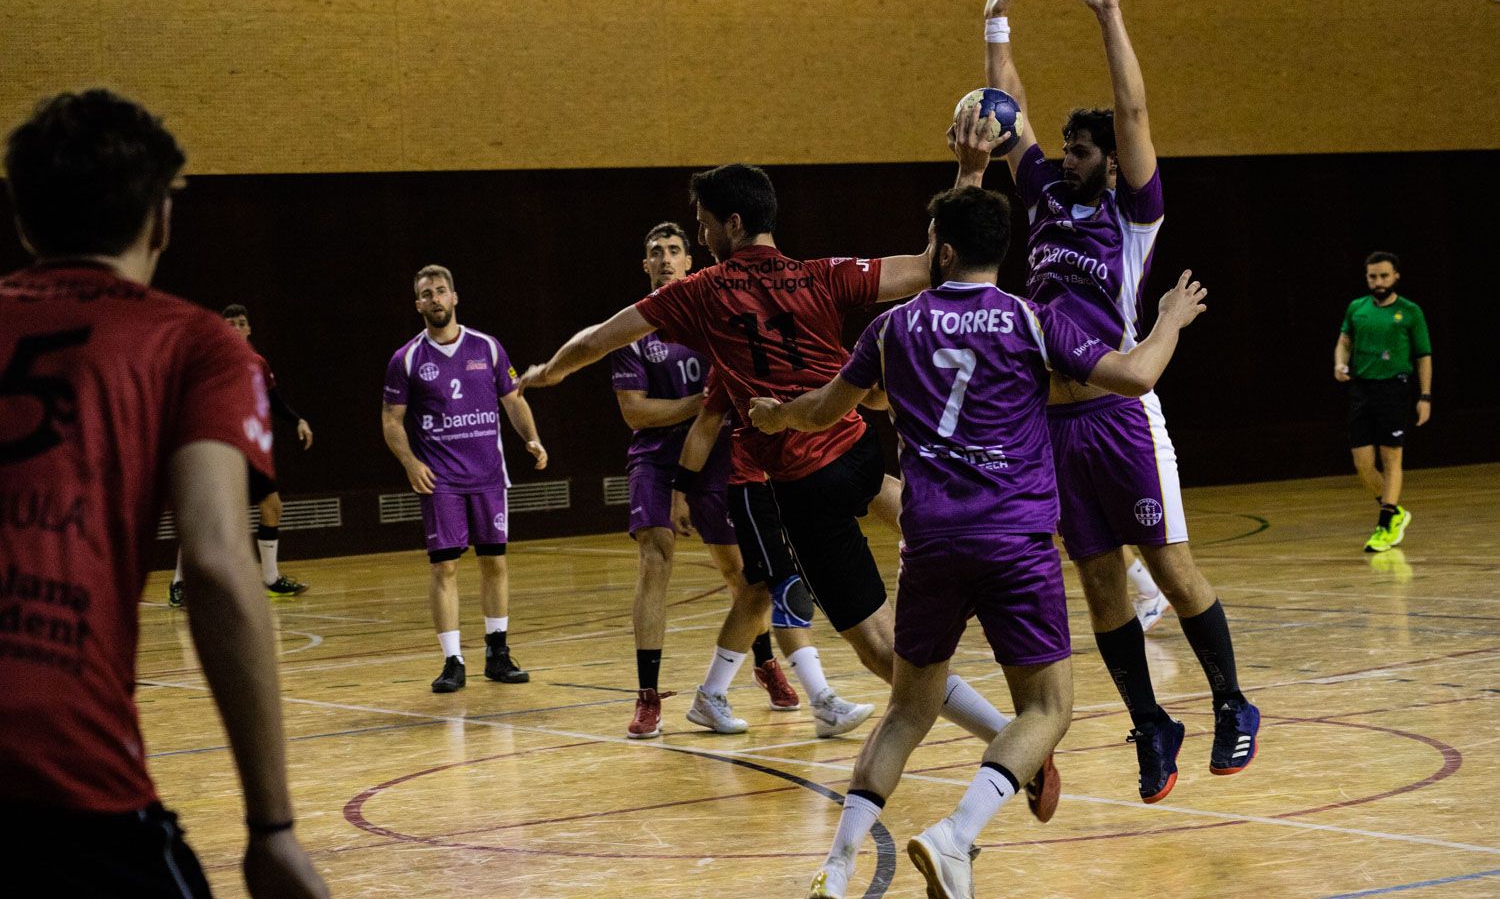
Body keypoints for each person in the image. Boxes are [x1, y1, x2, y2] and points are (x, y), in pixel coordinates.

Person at [520, 130, 1051, 816]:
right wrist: (970, 169)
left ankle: (1012, 740)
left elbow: (599, 339)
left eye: (705, 223)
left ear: (731, 223)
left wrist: (548, 372)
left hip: (805, 482)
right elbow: (929, 266)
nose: (701, 234)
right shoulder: (822, 273)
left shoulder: (700, 292)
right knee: (886, 499)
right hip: (860, 448)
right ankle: (973, 555)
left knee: (879, 649)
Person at [748, 186, 1207, 899]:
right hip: (1015, 539)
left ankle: (836, 869)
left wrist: (775, 417)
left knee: (906, 711)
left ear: (949, 249)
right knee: (1048, 710)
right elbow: (1137, 375)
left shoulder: (895, 327)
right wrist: (1170, 319)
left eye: (932, 241)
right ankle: (956, 835)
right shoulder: (1031, 319)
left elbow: (823, 411)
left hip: (931, 539)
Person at [0, 89, 326, 897]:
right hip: (64, 771)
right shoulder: (196, 344)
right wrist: (272, 828)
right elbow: (216, 560)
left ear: (24, 219)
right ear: (160, 221)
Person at [982, 0, 1258, 802]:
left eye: (1081, 150)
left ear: (1111, 158)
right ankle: (1151, 726)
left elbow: (1134, 107)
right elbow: (1006, 112)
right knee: (1100, 581)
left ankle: (1231, 701)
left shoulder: (1131, 211)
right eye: (1065, 149)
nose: (1067, 159)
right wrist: (994, 25)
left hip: (1120, 416)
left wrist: (1108, 13)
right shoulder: (1046, 197)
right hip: (1053, 427)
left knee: (1168, 569)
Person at [611, 222, 801, 737]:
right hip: (655, 459)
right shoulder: (634, 329)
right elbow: (636, 412)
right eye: (656, 251)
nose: (666, 258)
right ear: (646, 266)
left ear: (689, 262)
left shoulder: (716, 314)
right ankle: (648, 695)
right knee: (656, 556)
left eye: (675, 250)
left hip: (720, 456)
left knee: (740, 574)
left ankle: (764, 665)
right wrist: (702, 404)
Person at [670, 378, 876, 739]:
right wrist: (680, 492)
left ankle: (710, 695)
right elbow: (705, 424)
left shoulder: (798, 352)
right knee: (787, 587)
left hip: (794, 479)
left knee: (756, 593)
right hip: (749, 485)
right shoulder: (732, 360)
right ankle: (824, 702)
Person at [381, 265, 547, 693]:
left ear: (455, 297)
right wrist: (409, 462)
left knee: (495, 562)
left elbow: (512, 400)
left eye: (441, 291)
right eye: (426, 294)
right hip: (442, 481)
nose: (435, 298)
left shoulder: (488, 348)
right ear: (417, 304)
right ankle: (453, 660)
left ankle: (498, 652)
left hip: (488, 475)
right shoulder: (407, 360)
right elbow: (392, 420)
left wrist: (531, 438)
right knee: (446, 567)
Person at [169, 303, 313, 606]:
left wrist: (298, 420)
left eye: (241, 323)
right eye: (229, 323)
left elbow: (273, 401)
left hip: (250, 446)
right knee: (204, 514)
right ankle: (179, 583)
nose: (236, 328)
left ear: (248, 329)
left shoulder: (257, 363)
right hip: (220, 447)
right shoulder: (209, 361)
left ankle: (271, 579)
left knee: (272, 506)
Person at [1334, 251, 1432, 552]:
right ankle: (1394, 510)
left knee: (1391, 458)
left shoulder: (1410, 312)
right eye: (1373, 277)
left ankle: (1386, 522)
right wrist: (1339, 363)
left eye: (1384, 276)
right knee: (1362, 462)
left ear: (1396, 276)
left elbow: (1423, 357)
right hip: (1363, 389)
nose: (1378, 282)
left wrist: (1425, 396)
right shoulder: (1357, 308)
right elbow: (1345, 341)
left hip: (1395, 389)